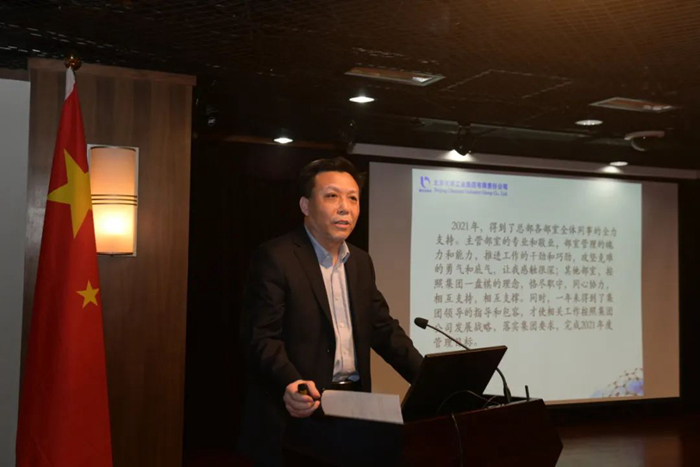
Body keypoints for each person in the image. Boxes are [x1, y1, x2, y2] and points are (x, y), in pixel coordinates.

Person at [238, 156, 423, 466]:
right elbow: (262, 338)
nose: (344, 208)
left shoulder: (360, 262)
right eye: (332, 196)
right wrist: (292, 384)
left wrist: (427, 378)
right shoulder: (276, 257)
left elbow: (384, 330)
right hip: (301, 410)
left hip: (355, 408)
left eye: (353, 198)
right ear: (305, 205)